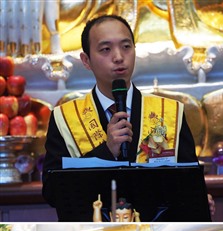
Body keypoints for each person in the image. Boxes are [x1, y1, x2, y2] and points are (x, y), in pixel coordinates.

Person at [41, 15, 204, 218]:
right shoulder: (65, 118)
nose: (118, 57)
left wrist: (199, 199)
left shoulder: (170, 112)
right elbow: (52, 193)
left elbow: (189, 181)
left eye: (126, 47)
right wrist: (106, 151)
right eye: (105, 49)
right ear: (86, 60)